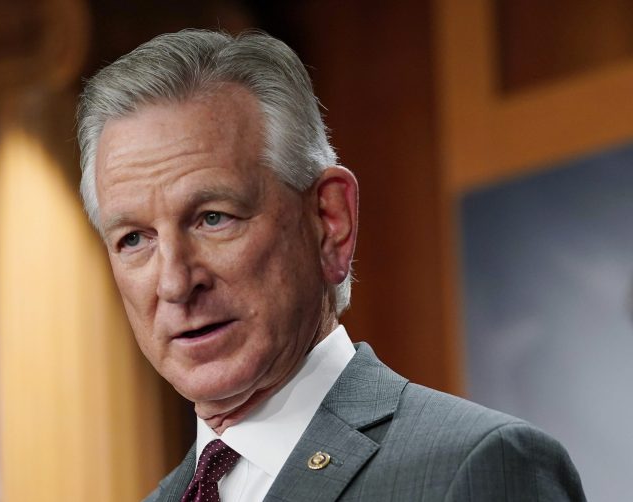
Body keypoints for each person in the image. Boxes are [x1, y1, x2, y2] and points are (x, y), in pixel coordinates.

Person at [77, 29, 585, 501]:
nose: (174, 282)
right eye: (134, 239)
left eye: (213, 218)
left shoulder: (476, 469)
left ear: (329, 221)